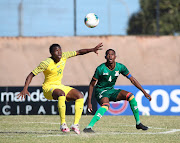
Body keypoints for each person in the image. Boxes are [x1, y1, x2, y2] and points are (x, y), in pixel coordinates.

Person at [17, 43, 103, 134]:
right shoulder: (46, 63)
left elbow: (79, 52)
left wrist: (92, 49)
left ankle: (75, 124)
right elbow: (31, 74)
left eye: (60, 50)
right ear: (51, 53)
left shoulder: (64, 56)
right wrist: (25, 88)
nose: (59, 53)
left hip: (59, 86)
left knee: (80, 95)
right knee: (61, 93)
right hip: (48, 88)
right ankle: (63, 124)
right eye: (56, 51)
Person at [83, 49, 152, 133]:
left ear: (115, 57)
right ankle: (88, 127)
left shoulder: (120, 67)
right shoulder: (100, 68)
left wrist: (144, 92)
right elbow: (91, 84)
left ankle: (138, 123)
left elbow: (132, 79)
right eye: (108, 54)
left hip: (111, 90)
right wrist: (89, 102)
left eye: (112, 54)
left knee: (130, 96)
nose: (110, 56)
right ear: (105, 57)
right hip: (100, 91)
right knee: (106, 105)